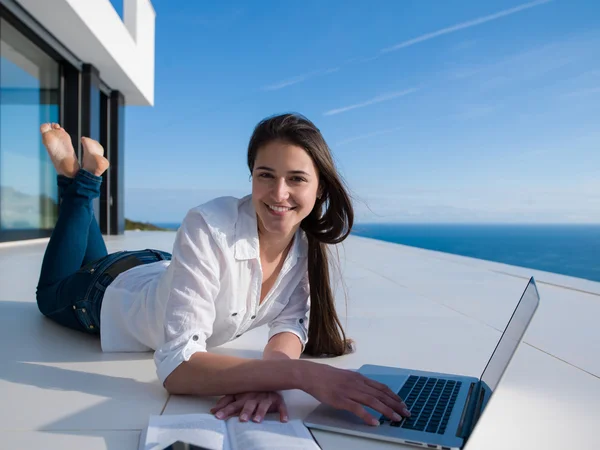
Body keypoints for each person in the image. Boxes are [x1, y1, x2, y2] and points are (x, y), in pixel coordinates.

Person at [35, 113, 410, 427]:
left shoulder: (305, 245)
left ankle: (80, 175)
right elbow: (177, 367)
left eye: (296, 178)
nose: (279, 193)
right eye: (266, 175)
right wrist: (301, 376)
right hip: (102, 293)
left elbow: (291, 323)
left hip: (153, 268)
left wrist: (272, 374)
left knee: (88, 259)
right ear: (251, 177)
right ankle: (82, 182)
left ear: (320, 189)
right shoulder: (208, 223)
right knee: (48, 295)